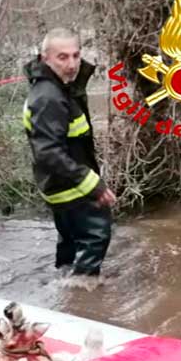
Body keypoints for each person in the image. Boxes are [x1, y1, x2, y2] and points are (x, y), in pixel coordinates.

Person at [23, 28, 116, 287]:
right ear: (45, 59)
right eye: (62, 57)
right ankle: (82, 293)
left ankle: (64, 281)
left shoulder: (56, 88)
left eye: (76, 55)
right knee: (97, 235)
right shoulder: (48, 97)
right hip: (70, 184)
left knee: (72, 239)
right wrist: (93, 184)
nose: (72, 64)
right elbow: (48, 152)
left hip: (59, 183)